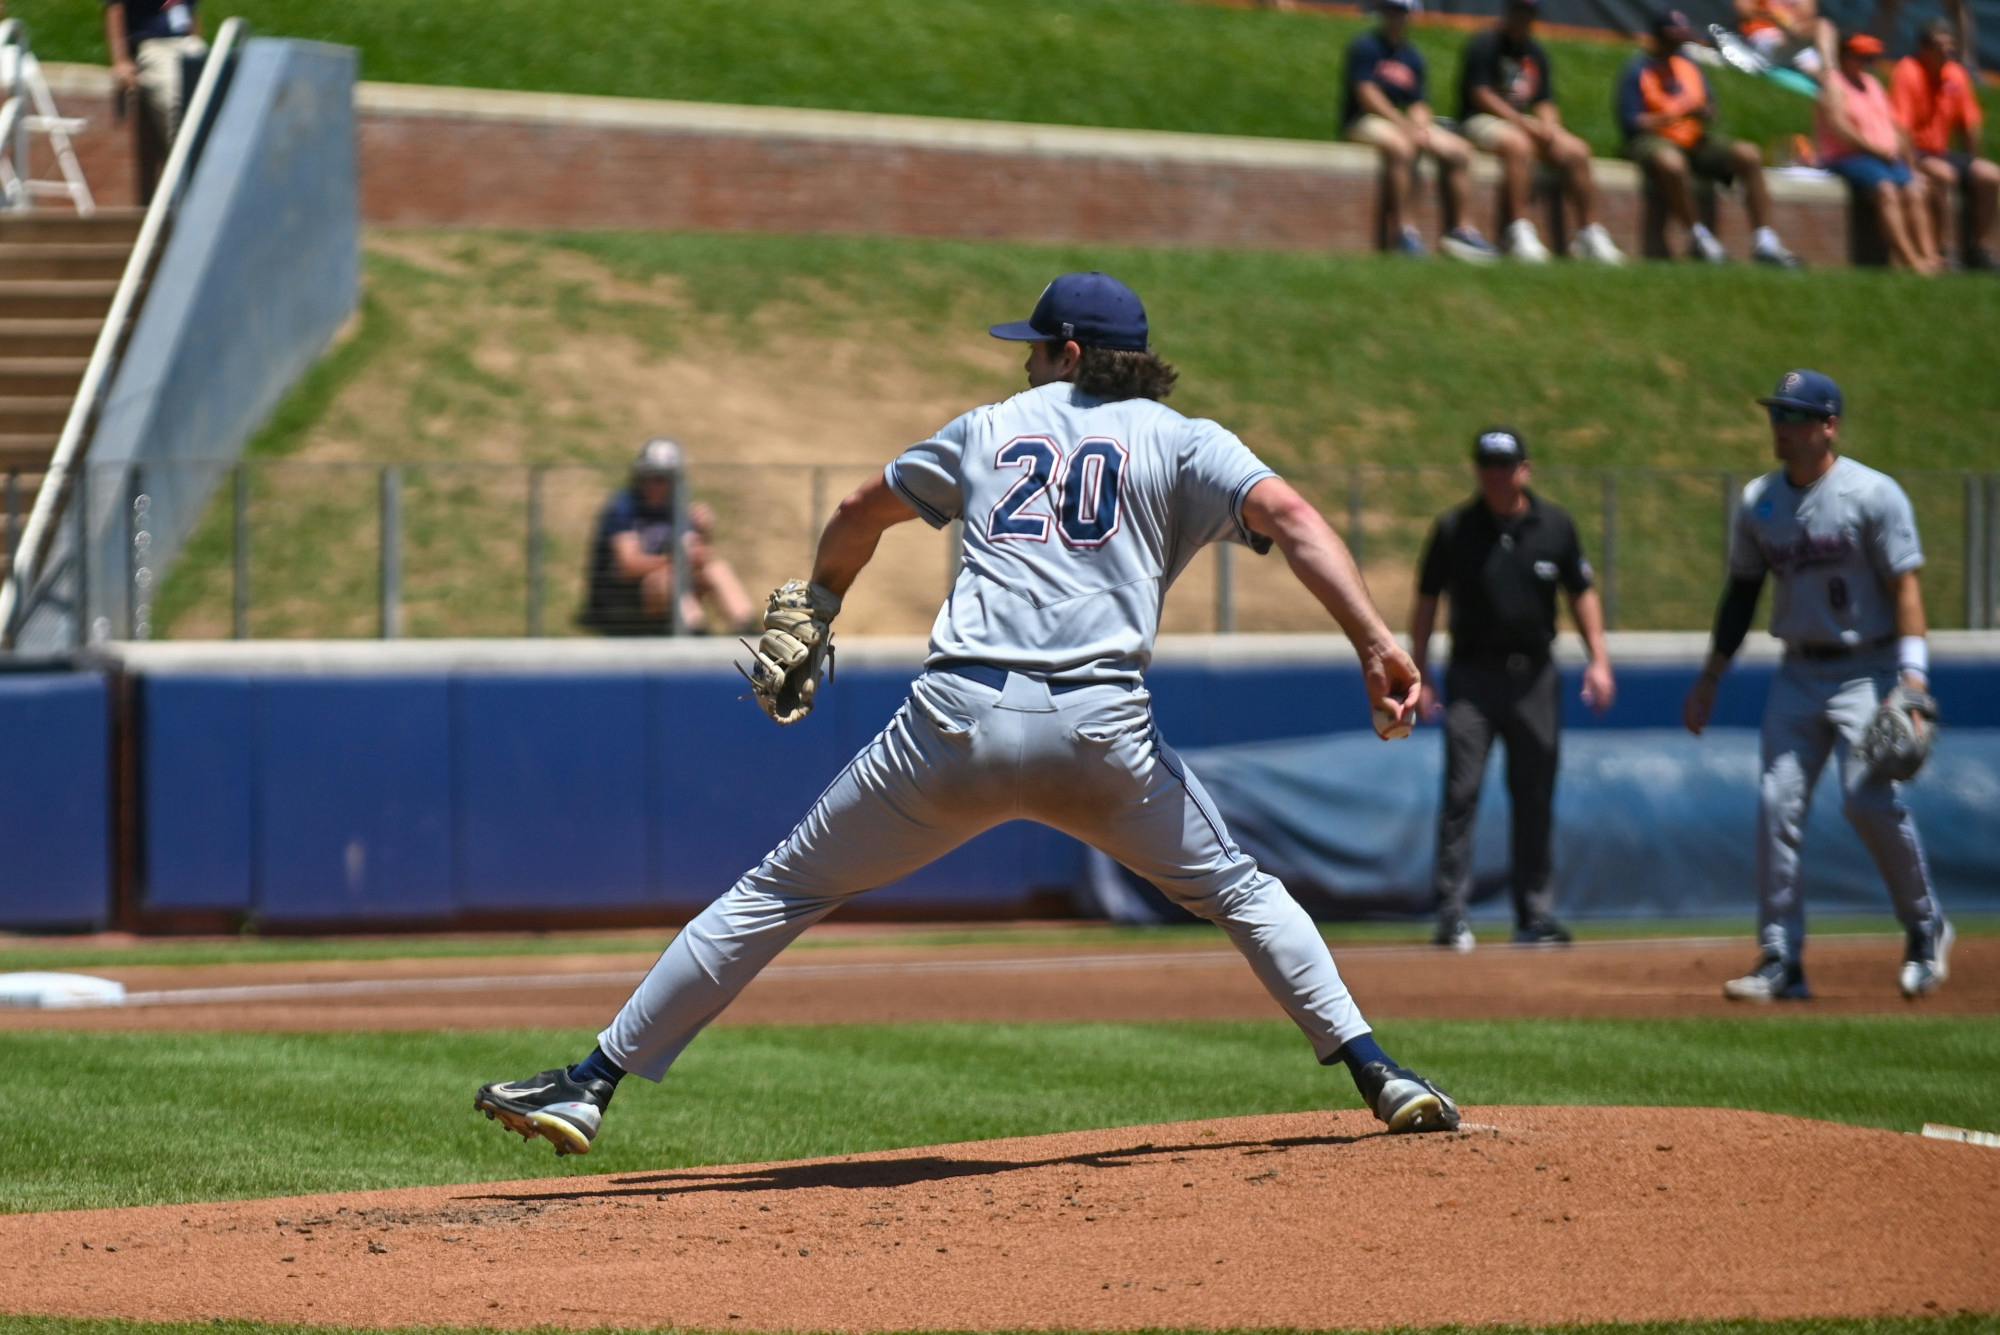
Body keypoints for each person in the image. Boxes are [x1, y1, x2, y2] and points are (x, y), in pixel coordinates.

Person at [475, 271, 1463, 1155]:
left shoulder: (989, 426)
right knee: (1241, 893)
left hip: (954, 724)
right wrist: (1376, 641)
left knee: (777, 894)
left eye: (1034, 345)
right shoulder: (1185, 440)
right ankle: (1379, 1073)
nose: (1025, 361)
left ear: (1069, 353)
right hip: (1098, 731)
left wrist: (819, 607)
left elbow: (861, 507)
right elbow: (1289, 518)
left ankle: (592, 1084)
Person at [1682, 369, 1952, 1002]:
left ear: (1829, 425)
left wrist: (1912, 682)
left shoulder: (1872, 494)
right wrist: (1710, 678)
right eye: (1778, 414)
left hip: (1871, 667)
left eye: (1797, 416)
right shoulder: (1759, 502)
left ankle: (1924, 925)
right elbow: (1742, 593)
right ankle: (1781, 957)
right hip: (1799, 669)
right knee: (1777, 803)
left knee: (1868, 801)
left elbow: (1905, 586)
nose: (1782, 426)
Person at [1410, 428, 1613, 952]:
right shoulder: (1456, 529)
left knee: (1535, 795)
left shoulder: (1555, 526)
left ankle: (1535, 915)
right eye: (1485, 464)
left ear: (1525, 468)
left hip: (1535, 679)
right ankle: (1452, 914)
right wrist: (1420, 670)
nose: (1494, 474)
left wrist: (1600, 660)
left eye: (1504, 464)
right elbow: (1427, 599)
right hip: (1472, 678)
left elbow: (1582, 592)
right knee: (1460, 794)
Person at [1617, 8, 1803, 265]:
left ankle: (1765, 241)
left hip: (1694, 138)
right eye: (1672, 40)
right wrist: (1674, 116)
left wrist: (1704, 112)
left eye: (1681, 40)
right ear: (1657, 38)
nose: (1677, 46)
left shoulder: (1689, 66)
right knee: (1672, 163)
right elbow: (1631, 123)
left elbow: (1711, 109)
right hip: (1654, 139)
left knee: (1748, 154)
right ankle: (1699, 238)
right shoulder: (1638, 69)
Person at [1456, 0, 1627, 263]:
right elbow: (1480, 94)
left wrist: (1549, 125)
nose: (1525, 18)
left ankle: (1589, 233)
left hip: (1522, 120)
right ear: (1509, 11)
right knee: (1518, 145)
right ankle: (1518, 230)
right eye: (1520, 11)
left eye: (1530, 13)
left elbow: (1545, 101)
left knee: (1577, 151)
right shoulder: (1485, 43)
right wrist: (1521, 123)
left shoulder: (1534, 52)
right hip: (1481, 119)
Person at [1341, 0, 1501, 262]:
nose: (1397, 18)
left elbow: (1419, 102)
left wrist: (1421, 126)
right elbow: (1367, 94)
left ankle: (1461, 231)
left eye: (1402, 12)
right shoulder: (1365, 47)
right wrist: (1404, 125)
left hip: (1400, 122)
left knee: (1460, 151)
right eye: (1392, 11)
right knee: (1403, 147)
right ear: (1383, 13)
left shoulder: (1412, 55)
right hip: (1364, 120)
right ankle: (1405, 233)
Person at [578, 437, 757, 637]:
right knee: (669, 580)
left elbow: (698, 557)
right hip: (623, 596)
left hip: (665, 581)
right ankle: (697, 636)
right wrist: (678, 560)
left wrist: (704, 534)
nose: (655, 484)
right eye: (650, 476)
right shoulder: (624, 507)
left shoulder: (678, 507)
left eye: (664, 478)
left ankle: (749, 633)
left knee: (717, 569)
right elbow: (628, 565)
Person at [1817, 32, 1942, 274]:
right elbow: (1840, 128)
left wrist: (1910, 164)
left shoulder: (1872, 84)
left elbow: (1895, 127)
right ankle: (1910, 260)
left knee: (1915, 189)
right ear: (1844, 57)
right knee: (1886, 190)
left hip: (1883, 157)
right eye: (1861, 57)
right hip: (1848, 157)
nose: (1867, 63)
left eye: (1871, 58)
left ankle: (1930, 256)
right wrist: (1874, 150)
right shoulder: (1833, 85)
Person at [1892, 20, 1996, 270]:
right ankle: (1948, 250)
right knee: (1944, 175)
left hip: (1942, 151)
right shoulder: (1907, 71)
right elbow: (1901, 128)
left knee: (1991, 175)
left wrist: (1974, 160)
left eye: (1951, 48)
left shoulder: (1956, 74)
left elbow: (1969, 124)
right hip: (1916, 151)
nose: (1947, 53)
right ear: (1924, 49)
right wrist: (1911, 168)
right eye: (1941, 47)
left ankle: (1983, 249)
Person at [102, 0, 206, 205]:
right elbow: (115, 8)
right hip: (154, 45)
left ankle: (207, 173)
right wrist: (121, 61)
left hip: (188, 43)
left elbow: (191, 12)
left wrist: (197, 44)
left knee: (216, 92)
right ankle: (186, 177)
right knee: (175, 102)